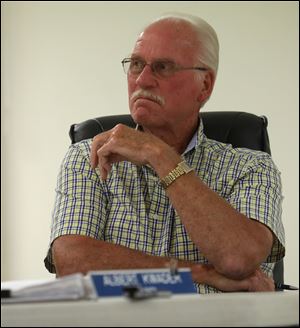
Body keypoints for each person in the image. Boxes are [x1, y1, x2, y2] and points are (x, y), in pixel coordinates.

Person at [44, 13, 285, 293]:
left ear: (204, 85)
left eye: (163, 67)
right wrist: (200, 273)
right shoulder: (90, 154)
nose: (143, 80)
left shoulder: (251, 166)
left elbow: (237, 258)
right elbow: (72, 263)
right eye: (136, 64)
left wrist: (159, 154)